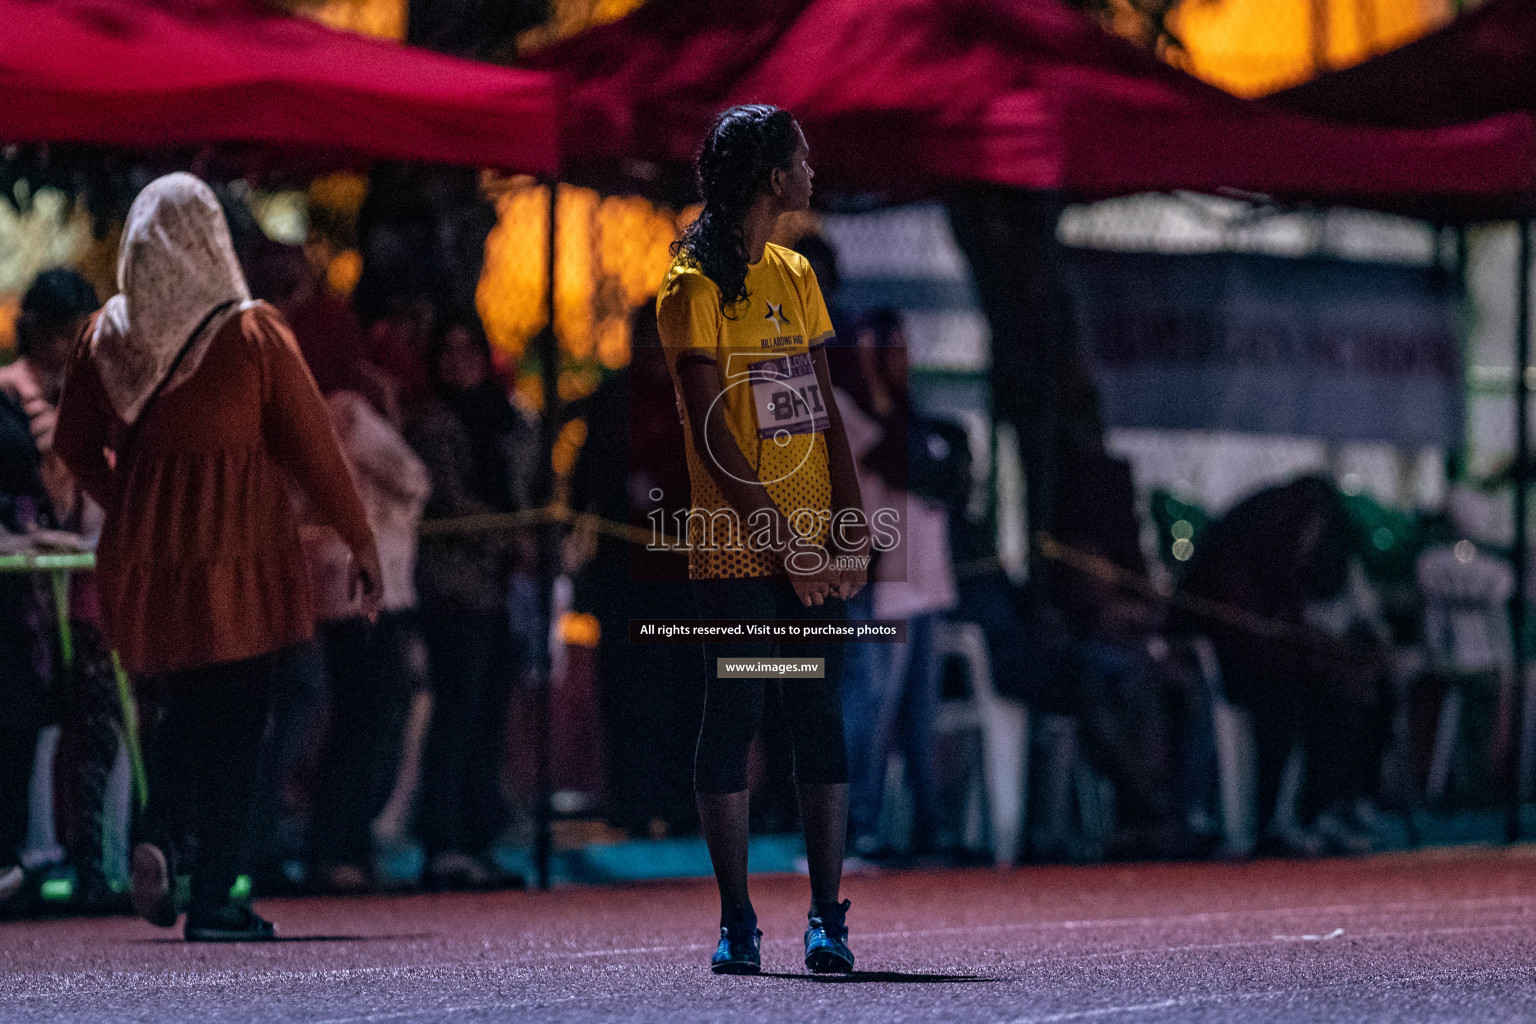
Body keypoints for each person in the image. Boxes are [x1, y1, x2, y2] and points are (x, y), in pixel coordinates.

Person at [55, 173, 381, 941]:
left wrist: (130, 505)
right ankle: (215, 901)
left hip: (147, 559)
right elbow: (313, 449)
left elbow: (74, 446)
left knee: (184, 705)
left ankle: (159, 834)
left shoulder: (106, 333)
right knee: (239, 722)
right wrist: (359, 538)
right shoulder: (252, 333)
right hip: (240, 550)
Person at [657, 104, 868, 975]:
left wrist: (846, 528)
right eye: (803, 159)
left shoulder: (794, 275)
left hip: (812, 545)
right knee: (735, 713)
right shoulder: (688, 290)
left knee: (816, 714)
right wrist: (786, 546)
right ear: (772, 179)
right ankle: (738, 919)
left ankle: (828, 917)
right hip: (741, 550)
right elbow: (714, 435)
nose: (814, 171)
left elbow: (822, 414)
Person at [0, 269, 134, 915]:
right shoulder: (15, 395)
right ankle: (39, 854)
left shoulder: (83, 393)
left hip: (81, 573)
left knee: (95, 723)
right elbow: (50, 486)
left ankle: (93, 858)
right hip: (36, 586)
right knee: (44, 723)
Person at [404, 314, 536, 890]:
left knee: (484, 714)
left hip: (495, 589)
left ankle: (476, 837)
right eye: (447, 352)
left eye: (468, 350)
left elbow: (528, 480)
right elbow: (449, 503)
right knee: (458, 711)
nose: (459, 363)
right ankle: (444, 840)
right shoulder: (435, 424)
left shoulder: (503, 420)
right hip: (453, 586)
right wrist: (512, 535)